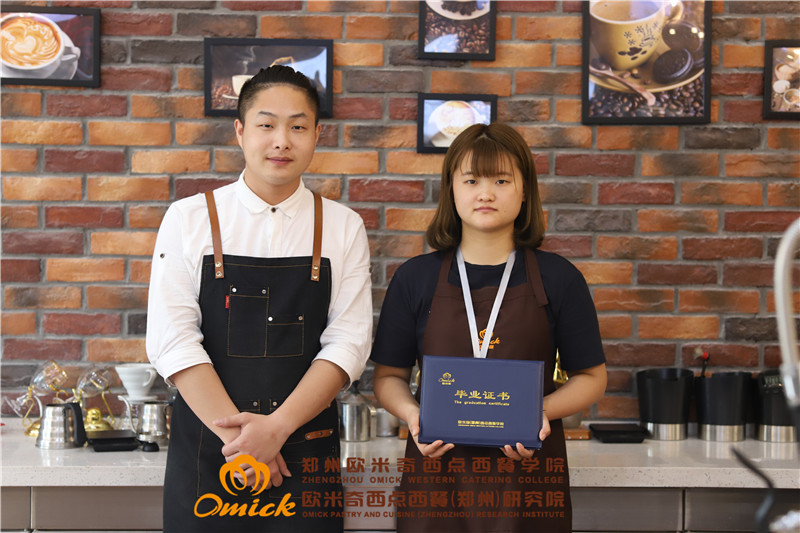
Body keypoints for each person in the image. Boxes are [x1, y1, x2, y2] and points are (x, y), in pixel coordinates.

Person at [146, 65, 372, 533]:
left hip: (305, 450)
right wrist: (246, 446)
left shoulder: (343, 225)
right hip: (212, 451)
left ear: (317, 135)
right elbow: (173, 341)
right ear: (240, 131)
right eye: (266, 124)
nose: (281, 141)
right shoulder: (188, 218)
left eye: (298, 127)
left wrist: (276, 430)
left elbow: (348, 344)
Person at [370, 123, 607, 533]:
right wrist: (413, 415)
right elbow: (388, 376)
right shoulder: (414, 278)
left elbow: (592, 377)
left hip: (529, 479)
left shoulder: (560, 278)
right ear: (451, 189)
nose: (485, 193)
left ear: (525, 190)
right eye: (471, 180)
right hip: (437, 477)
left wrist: (537, 413)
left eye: (501, 180)